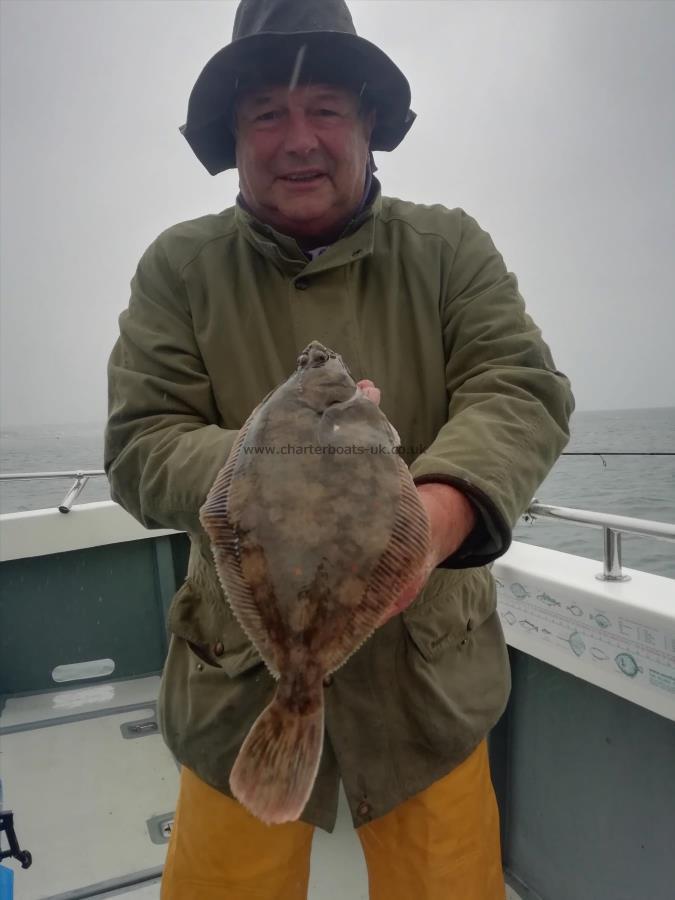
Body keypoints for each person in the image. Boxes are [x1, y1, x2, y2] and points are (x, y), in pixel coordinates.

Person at [104, 1, 574, 897]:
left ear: (366, 123)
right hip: (241, 685)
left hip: (423, 689)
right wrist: (275, 469)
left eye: (324, 107)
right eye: (266, 115)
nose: (298, 139)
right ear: (234, 136)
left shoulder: (448, 249)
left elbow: (518, 387)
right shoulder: (179, 268)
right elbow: (141, 441)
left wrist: (431, 521)